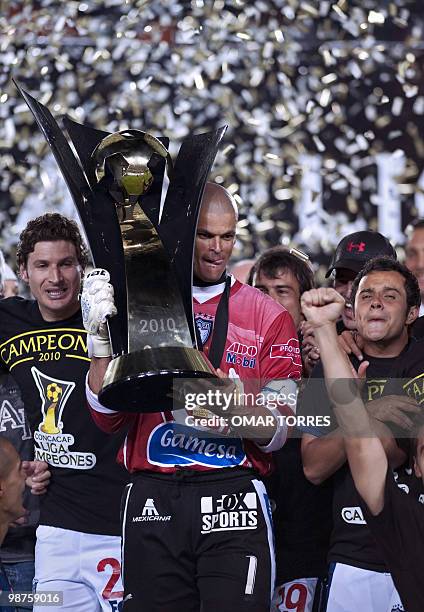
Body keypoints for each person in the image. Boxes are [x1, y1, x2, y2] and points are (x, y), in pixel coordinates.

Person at [84, 182, 302, 611]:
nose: (218, 249)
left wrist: (238, 411)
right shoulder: (136, 304)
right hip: (154, 494)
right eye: (206, 235)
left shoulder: (268, 315)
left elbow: (284, 427)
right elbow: (106, 419)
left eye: (228, 236)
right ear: (183, 232)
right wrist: (98, 343)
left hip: (233, 496)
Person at [0, 214, 128, 612]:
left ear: (82, 269)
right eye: (42, 265)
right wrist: (19, 462)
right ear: (23, 271)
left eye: (65, 264)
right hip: (54, 527)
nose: (55, 278)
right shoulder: (8, 322)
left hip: (118, 520)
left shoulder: (116, 322)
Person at [301, 256, 420, 612]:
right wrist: (368, 413)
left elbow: (395, 451)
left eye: (389, 296)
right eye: (366, 296)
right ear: (352, 310)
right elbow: (313, 467)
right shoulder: (330, 367)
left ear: (413, 313)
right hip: (354, 557)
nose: (376, 303)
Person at [251, 246, 332, 612]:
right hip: (242, 543)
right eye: (260, 290)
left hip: (303, 549)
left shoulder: (327, 364)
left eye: (281, 291)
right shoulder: (230, 360)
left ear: (303, 306)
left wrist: (316, 373)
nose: (266, 300)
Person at [302, 231, 397, 374]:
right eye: (342, 279)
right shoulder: (319, 333)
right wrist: (311, 370)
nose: (348, 292)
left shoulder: (413, 338)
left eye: (360, 282)